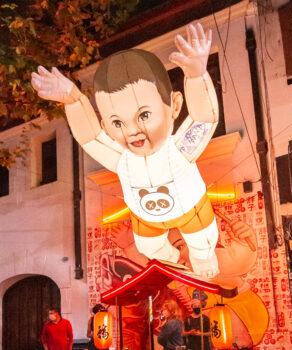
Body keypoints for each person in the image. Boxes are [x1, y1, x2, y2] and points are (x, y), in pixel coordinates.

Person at [31, 22, 221, 278]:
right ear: (105, 125)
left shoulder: (180, 150)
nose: (132, 130)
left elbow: (203, 119)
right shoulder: (122, 159)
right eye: (117, 123)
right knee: (150, 247)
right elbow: (89, 137)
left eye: (144, 115)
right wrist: (74, 100)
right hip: (147, 222)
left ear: (175, 106)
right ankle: (174, 261)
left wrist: (197, 76)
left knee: (202, 243)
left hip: (193, 212)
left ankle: (202, 263)